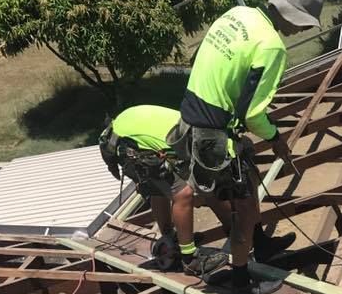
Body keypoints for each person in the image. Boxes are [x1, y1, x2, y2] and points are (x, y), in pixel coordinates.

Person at [172, 0, 323, 294]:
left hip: (188, 120)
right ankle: (241, 280)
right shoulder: (271, 46)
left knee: (247, 180)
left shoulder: (237, 15)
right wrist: (276, 139)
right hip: (213, 136)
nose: (302, 30)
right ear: (290, 14)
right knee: (245, 209)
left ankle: (262, 245)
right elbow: (254, 113)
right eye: (303, 24)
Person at [99, 104, 292, 276]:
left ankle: (172, 238)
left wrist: (242, 232)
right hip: (125, 143)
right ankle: (190, 260)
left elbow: (212, 191)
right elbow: (213, 191)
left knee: (163, 187)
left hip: (134, 127)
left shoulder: (209, 133)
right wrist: (235, 229)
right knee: (182, 193)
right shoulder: (207, 145)